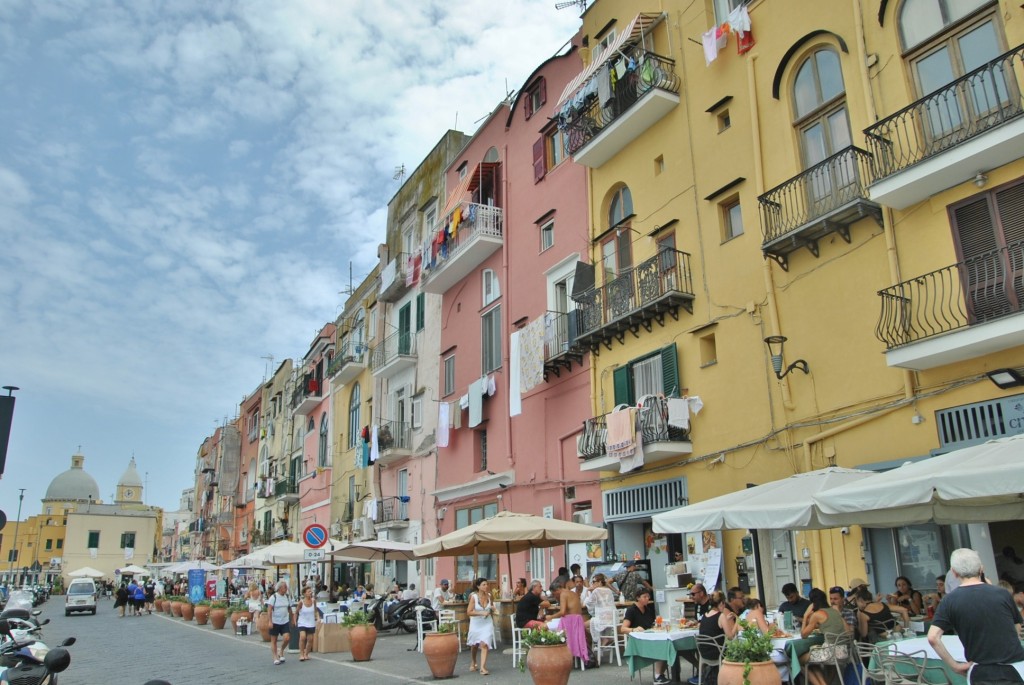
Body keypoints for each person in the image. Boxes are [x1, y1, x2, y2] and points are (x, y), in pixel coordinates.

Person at [928, 548, 1024, 685]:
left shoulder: (949, 600)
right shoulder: (1002, 594)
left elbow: (933, 637)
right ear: (981, 569)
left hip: (980, 669)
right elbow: (1016, 627)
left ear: (954, 573)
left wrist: (954, 666)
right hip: (1014, 667)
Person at [800, 588, 851, 685]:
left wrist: (805, 616)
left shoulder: (817, 614)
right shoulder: (835, 611)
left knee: (799, 660)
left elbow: (803, 635)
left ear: (812, 603)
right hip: (843, 652)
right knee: (813, 663)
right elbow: (848, 632)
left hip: (830, 653)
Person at [623, 589, 673, 684]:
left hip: (649, 637)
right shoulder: (631, 611)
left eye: (648, 597)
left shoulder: (648, 609)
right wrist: (634, 629)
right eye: (644, 597)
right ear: (638, 598)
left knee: (668, 645)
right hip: (638, 641)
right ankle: (658, 676)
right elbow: (623, 628)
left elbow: (651, 625)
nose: (647, 599)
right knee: (662, 647)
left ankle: (660, 674)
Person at [696, 590, 739, 685]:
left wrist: (726, 620)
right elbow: (731, 636)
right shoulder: (721, 616)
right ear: (722, 603)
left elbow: (713, 626)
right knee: (738, 651)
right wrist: (737, 623)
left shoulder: (704, 615)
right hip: (718, 653)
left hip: (704, 652)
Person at [550, 576, 592, 667]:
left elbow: (562, 612)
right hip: (578, 619)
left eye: (554, 594)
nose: (555, 596)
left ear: (557, 590)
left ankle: (562, 658)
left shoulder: (563, 594)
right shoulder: (572, 593)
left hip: (570, 620)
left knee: (557, 633)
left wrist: (551, 617)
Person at [466, 578, 495, 676]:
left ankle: (482, 667)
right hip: (476, 624)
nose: (486, 586)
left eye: (486, 584)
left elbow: (491, 608)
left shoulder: (490, 596)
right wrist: (481, 613)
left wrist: (493, 609)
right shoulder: (473, 597)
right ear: (478, 586)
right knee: (474, 645)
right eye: (483, 584)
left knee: (484, 644)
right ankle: (473, 661)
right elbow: (469, 612)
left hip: (487, 623)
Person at [267, 581, 295, 665]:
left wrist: (292, 619)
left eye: (286, 587)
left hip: (285, 621)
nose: (286, 589)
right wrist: (270, 621)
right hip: (275, 621)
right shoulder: (273, 597)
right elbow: (269, 610)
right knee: (274, 640)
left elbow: (289, 609)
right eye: (284, 587)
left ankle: (281, 650)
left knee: (287, 638)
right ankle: (275, 657)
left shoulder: (287, 597)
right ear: (279, 588)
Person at [296, 587, 318, 661]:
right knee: (302, 637)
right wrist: (294, 620)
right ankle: (301, 654)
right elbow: (296, 612)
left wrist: (318, 617)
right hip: (302, 622)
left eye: (311, 592)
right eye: (308, 592)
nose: (310, 593)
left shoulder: (313, 601)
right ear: (304, 593)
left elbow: (316, 610)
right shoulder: (301, 602)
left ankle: (306, 654)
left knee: (310, 639)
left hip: (311, 622)